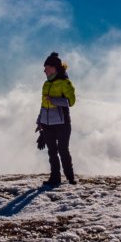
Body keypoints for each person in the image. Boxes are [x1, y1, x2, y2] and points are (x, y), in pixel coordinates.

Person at [36, 52, 76, 187]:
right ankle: (55, 178)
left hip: (62, 123)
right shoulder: (46, 84)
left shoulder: (65, 83)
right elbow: (43, 105)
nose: (44, 70)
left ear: (53, 68)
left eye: (46, 68)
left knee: (63, 150)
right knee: (52, 152)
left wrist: (53, 100)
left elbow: (71, 102)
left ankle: (70, 178)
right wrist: (40, 122)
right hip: (47, 124)